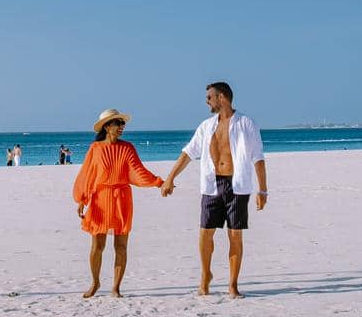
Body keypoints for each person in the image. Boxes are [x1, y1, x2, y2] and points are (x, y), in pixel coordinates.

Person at [162, 82, 267, 298]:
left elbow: (258, 158)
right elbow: (188, 153)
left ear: (222, 97)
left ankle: (233, 284)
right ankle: (205, 275)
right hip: (211, 185)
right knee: (205, 233)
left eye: (209, 97)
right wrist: (170, 178)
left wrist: (262, 190)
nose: (206, 101)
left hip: (237, 186)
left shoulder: (246, 123)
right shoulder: (206, 126)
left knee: (235, 235)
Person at [73, 109, 163, 298]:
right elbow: (87, 174)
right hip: (100, 198)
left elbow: (138, 171)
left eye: (123, 124)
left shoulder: (127, 147)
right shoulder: (95, 148)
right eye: (118, 123)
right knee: (97, 245)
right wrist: (82, 199)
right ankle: (95, 282)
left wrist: (158, 182)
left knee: (121, 246)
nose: (122, 127)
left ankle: (116, 287)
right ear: (107, 126)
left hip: (122, 198)